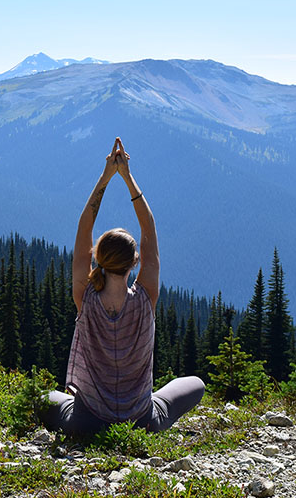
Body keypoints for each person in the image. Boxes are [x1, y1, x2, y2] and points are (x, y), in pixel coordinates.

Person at [41, 137, 205, 436]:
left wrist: (105, 177)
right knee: (196, 384)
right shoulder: (146, 298)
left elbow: (83, 230)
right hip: (141, 421)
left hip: (86, 423)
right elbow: (149, 230)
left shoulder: (86, 296)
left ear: (96, 258)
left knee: (41, 399)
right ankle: (150, 412)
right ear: (135, 263)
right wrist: (128, 178)